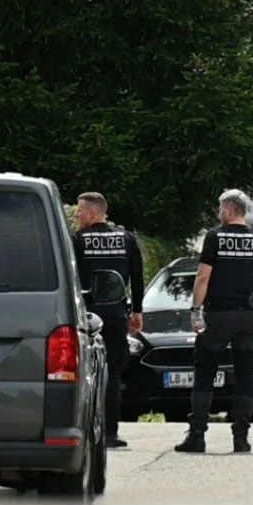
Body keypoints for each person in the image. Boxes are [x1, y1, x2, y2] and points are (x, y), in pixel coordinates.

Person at [175, 189, 253, 454]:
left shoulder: (215, 237)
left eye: (221, 208)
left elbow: (202, 278)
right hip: (248, 317)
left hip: (218, 315)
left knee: (205, 374)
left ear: (230, 209)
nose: (219, 212)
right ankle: (240, 438)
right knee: (244, 377)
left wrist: (196, 309)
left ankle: (197, 435)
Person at [72, 192, 145, 450]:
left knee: (80, 372)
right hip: (115, 314)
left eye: (79, 211)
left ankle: (82, 430)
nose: (77, 216)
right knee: (112, 373)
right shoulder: (127, 239)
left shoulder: (78, 241)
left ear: (92, 213)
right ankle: (110, 433)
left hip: (86, 315)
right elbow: (137, 277)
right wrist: (137, 311)